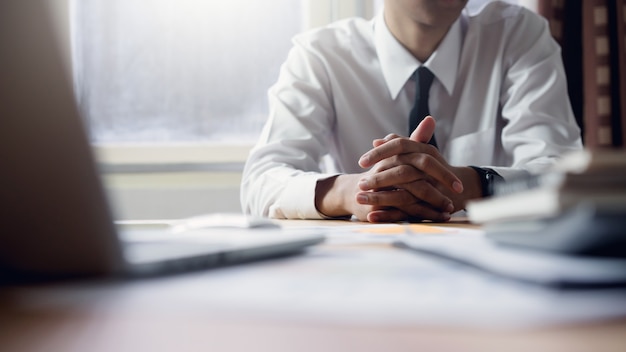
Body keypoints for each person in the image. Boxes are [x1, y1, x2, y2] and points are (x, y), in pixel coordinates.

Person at [240, 0, 583, 223]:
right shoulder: (321, 55)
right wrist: (358, 192)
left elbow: (566, 176)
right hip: (359, 264)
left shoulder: (517, 35)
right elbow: (259, 182)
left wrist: (470, 183)